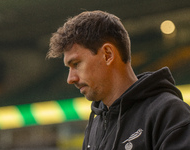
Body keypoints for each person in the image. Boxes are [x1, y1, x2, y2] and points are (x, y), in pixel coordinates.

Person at [47, 10, 190, 150]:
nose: (70, 79)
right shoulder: (95, 127)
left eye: (76, 64)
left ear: (108, 54)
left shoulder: (169, 113)